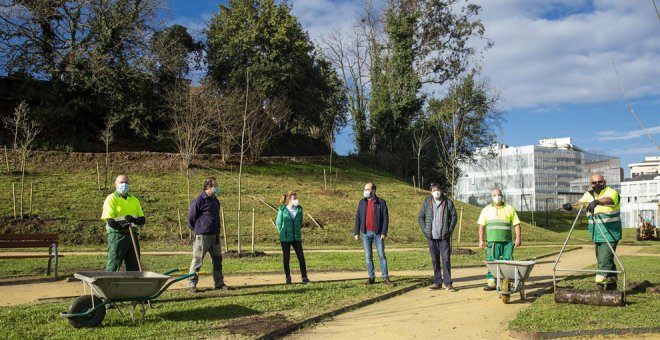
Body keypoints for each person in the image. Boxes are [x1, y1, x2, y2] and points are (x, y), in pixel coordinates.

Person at [562, 173, 622, 291]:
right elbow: (579, 204)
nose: (597, 185)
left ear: (604, 182)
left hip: (610, 233)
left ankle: (599, 286)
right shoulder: (588, 195)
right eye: (594, 183)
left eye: (600, 182)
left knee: (604, 260)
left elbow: (609, 200)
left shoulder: (611, 192)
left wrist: (597, 202)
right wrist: (570, 206)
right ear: (591, 184)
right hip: (596, 234)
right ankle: (611, 283)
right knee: (604, 259)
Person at [187, 177, 230, 293]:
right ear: (209, 187)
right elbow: (191, 219)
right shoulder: (198, 200)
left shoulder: (215, 200)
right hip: (202, 236)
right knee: (197, 260)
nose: (217, 187)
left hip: (215, 236)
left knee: (217, 260)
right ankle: (191, 284)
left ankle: (219, 283)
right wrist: (198, 230)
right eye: (215, 186)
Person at [477, 189, 521, 291]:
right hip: (493, 242)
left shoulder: (509, 209)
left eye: (499, 195)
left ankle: (509, 281)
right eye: (495, 195)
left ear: (502, 196)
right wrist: (481, 240)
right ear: (491, 197)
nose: (497, 197)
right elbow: (481, 226)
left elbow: (517, 224)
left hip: (507, 242)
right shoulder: (486, 209)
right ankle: (492, 281)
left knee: (508, 261)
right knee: (492, 261)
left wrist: (518, 238)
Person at [418, 183, 458, 291]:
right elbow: (420, 217)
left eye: (438, 189)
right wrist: (425, 230)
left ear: (441, 190)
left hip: (444, 237)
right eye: (434, 190)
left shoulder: (448, 202)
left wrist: (449, 230)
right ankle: (437, 282)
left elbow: (454, 216)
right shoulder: (427, 201)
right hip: (431, 237)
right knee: (435, 260)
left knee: (446, 260)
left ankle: (448, 283)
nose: (436, 191)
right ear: (431, 191)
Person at [101, 175, 146, 271]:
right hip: (117, 235)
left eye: (126, 183)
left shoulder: (134, 200)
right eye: (121, 182)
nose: (124, 185)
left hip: (132, 234)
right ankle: (109, 283)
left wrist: (134, 220)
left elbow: (142, 219)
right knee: (114, 263)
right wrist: (121, 226)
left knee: (134, 264)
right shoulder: (111, 199)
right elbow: (110, 221)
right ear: (115, 184)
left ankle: (133, 284)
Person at [354, 182, 394, 286]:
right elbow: (358, 217)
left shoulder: (381, 202)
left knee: (382, 255)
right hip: (365, 233)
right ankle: (371, 277)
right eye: (365, 189)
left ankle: (385, 278)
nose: (366, 191)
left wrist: (384, 232)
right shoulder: (362, 202)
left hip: (378, 234)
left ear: (374, 190)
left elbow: (385, 218)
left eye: (368, 189)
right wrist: (356, 232)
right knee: (368, 256)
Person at [275, 191, 310, 284]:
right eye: (294, 198)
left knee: (301, 257)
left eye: (296, 198)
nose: (296, 200)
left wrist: (297, 230)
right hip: (285, 238)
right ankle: (288, 277)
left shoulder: (299, 210)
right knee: (286, 258)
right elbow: (278, 224)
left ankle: (304, 277)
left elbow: (300, 222)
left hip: (296, 238)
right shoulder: (282, 210)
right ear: (289, 199)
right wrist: (283, 232)